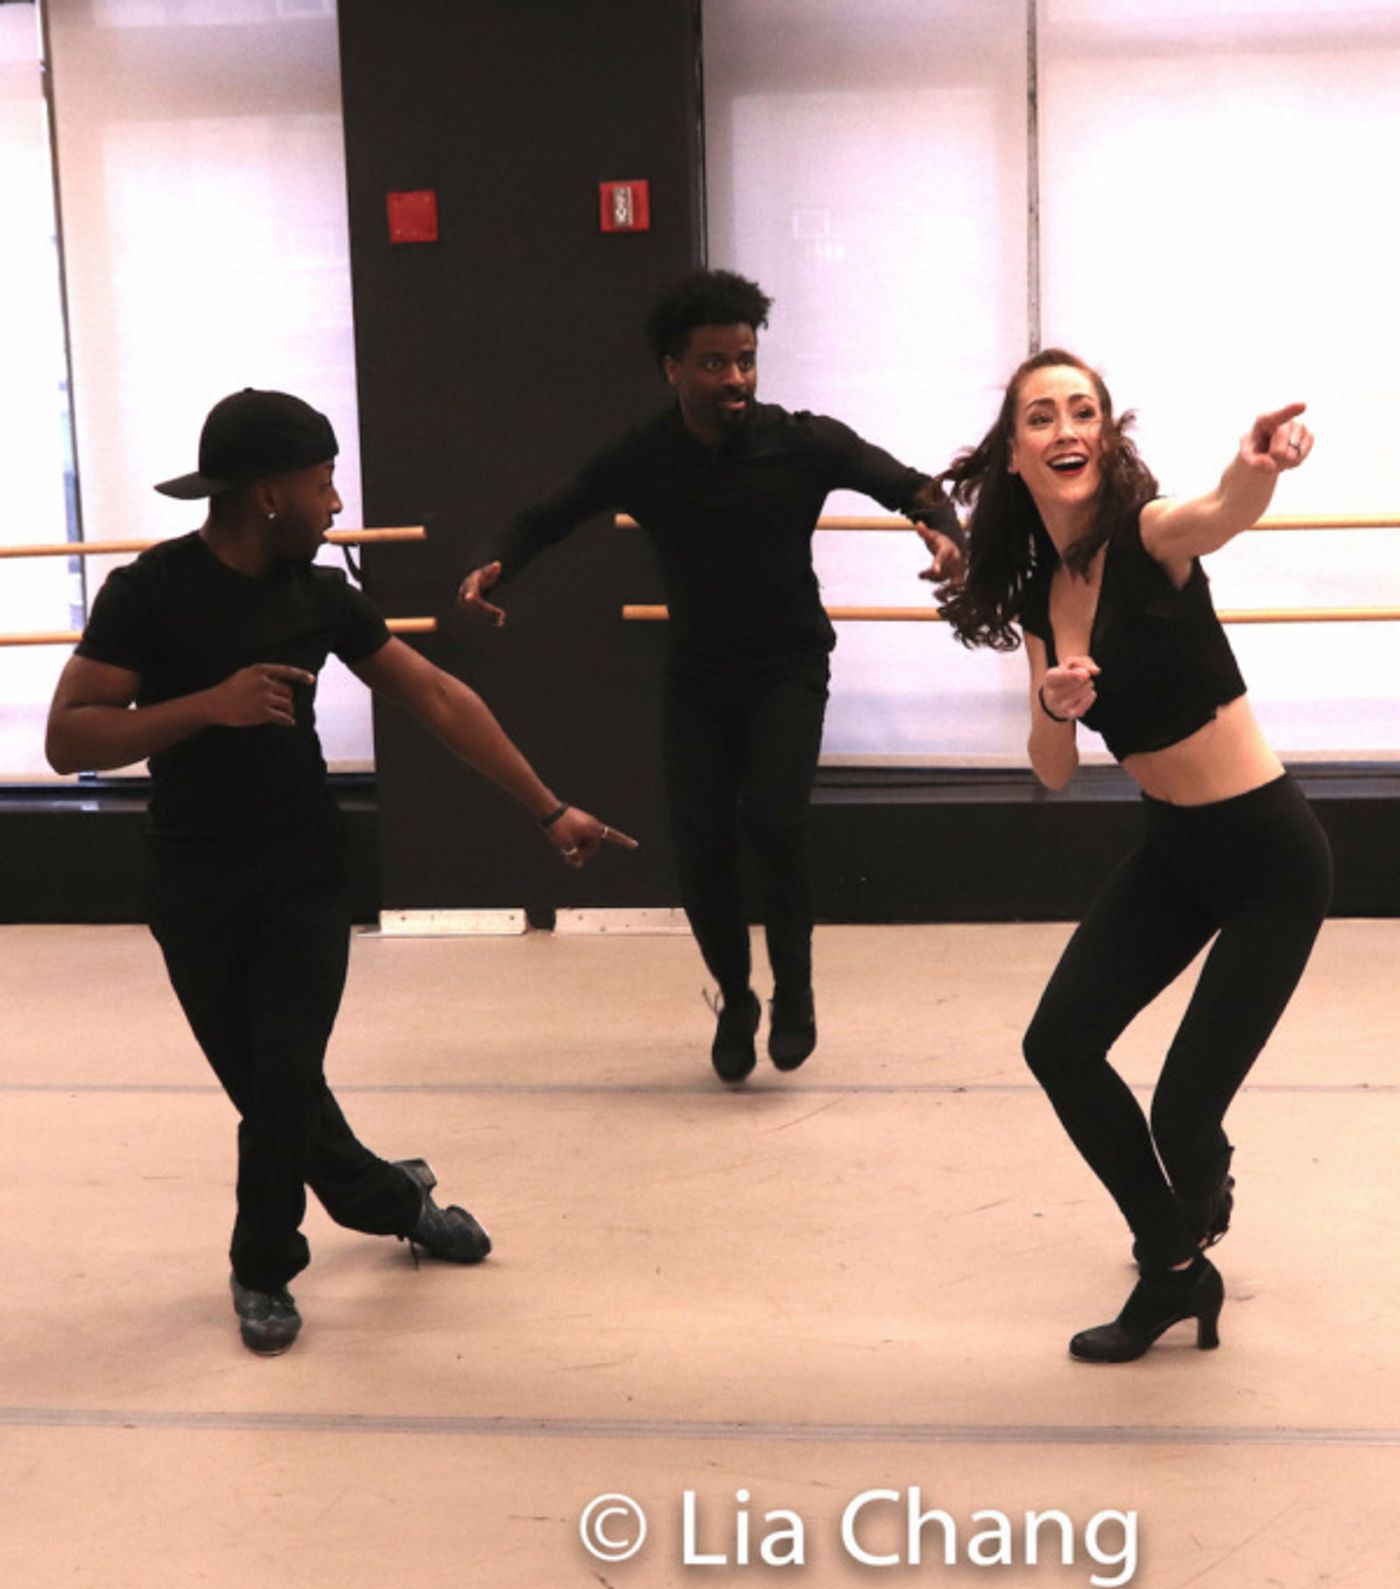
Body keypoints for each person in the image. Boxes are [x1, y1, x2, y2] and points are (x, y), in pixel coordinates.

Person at [45, 388, 635, 1356]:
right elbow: (69, 739)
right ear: (268, 493)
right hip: (191, 881)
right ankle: (393, 1197)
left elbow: (435, 695)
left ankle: (262, 1266)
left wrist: (548, 806)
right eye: (323, 482)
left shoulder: (319, 595)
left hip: (304, 872)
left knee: (281, 1077)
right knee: (273, 1090)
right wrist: (209, 705)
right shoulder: (147, 591)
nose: (335, 501)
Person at [459, 269, 963, 1083]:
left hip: (789, 665)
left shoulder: (802, 441)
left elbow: (912, 488)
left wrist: (944, 534)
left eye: (746, 360)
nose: (735, 378)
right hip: (699, 675)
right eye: (714, 363)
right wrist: (495, 564)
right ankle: (737, 997)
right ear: (673, 368)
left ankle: (794, 991)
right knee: (699, 841)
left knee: (774, 820)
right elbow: (547, 517)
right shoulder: (644, 456)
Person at [935, 349, 1331, 1362]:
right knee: (1057, 1044)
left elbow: (1219, 513)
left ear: (1105, 437)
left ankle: (1193, 1201)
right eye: (1040, 416)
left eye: (1083, 412)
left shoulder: (1148, 536)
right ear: (1013, 452)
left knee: (1182, 1118)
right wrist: (1052, 704)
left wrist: (1256, 466)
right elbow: (1054, 769)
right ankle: (1175, 1266)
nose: (1064, 429)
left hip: (1269, 859)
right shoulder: (1040, 599)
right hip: (1175, 849)